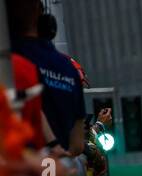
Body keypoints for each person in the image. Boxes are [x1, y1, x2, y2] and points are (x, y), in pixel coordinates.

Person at [7, 0, 87, 155]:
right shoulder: (68, 67)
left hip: (21, 167)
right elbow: (77, 145)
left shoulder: (11, 61)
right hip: (52, 169)